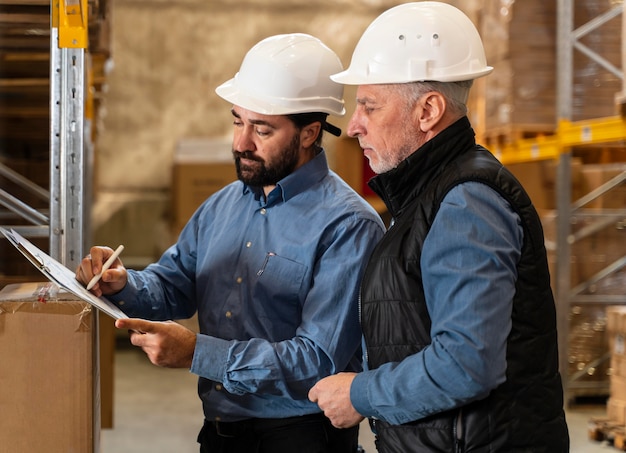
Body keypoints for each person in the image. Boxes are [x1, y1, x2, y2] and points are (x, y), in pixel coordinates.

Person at [76, 33, 385, 453]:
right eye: (238, 121)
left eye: (261, 129)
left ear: (311, 132)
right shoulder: (223, 205)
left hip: (302, 439)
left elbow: (317, 359)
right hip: (221, 433)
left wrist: (197, 353)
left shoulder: (348, 225)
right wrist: (123, 283)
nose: (241, 144)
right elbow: (174, 283)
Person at [308, 3, 570, 452]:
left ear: (428, 110)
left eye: (369, 106)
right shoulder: (427, 195)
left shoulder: (466, 201)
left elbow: (465, 364)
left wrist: (360, 393)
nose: (353, 127)